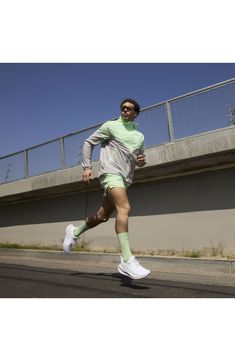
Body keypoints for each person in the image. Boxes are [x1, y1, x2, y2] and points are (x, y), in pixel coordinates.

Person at [63, 98, 151, 279]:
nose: (125, 111)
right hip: (110, 174)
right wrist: (87, 167)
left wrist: (141, 161)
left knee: (102, 217)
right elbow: (88, 143)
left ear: (135, 113)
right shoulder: (110, 126)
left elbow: (138, 159)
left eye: (129, 109)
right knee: (124, 208)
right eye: (123, 108)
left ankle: (74, 231)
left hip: (125, 179)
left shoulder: (139, 137)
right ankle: (127, 260)